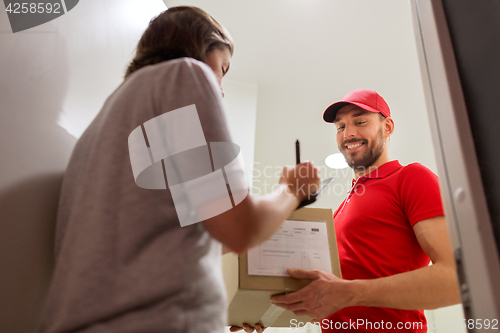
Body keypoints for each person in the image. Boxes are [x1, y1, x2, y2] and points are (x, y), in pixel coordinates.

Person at [38, 7, 320, 333]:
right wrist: (292, 191)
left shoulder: (99, 129)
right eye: (223, 68)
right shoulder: (184, 74)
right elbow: (239, 226)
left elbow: (185, 231)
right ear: (201, 47)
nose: (222, 89)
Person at [270, 89, 461, 332]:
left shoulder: (411, 177)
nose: (348, 133)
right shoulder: (342, 209)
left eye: (360, 122)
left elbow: (456, 278)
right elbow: (334, 299)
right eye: (340, 127)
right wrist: (265, 310)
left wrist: (349, 294)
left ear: (388, 127)